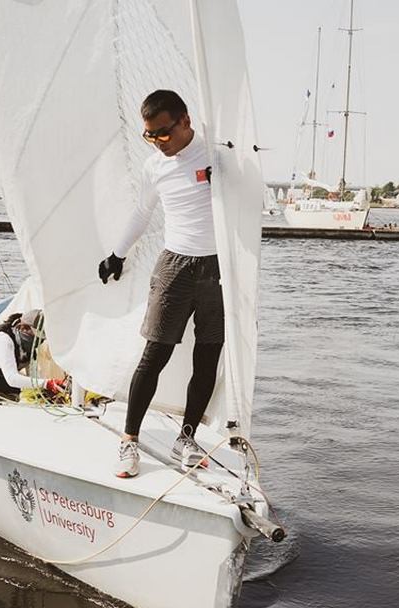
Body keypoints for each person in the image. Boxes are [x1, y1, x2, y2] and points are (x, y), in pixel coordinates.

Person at [98, 89, 223, 478]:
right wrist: (117, 253)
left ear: (186, 121)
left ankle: (186, 438)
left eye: (163, 134)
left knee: (207, 357)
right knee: (155, 355)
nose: (157, 143)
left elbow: (255, 200)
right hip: (174, 266)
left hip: (218, 269)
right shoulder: (156, 166)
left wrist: (226, 182)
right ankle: (129, 441)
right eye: (149, 136)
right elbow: (142, 211)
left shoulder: (218, 155)